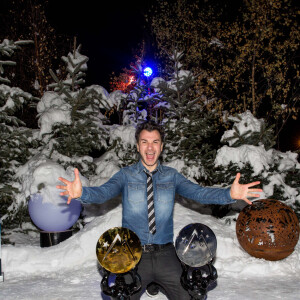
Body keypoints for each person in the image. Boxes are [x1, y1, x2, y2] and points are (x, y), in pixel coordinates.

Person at [56, 120, 262, 299]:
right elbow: (103, 192)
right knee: (121, 296)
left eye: (155, 142)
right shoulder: (126, 176)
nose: (150, 148)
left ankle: (157, 283)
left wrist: (229, 194)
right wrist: (82, 193)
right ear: (137, 146)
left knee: (188, 295)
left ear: (161, 146)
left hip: (165, 253)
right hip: (133, 253)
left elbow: (199, 193)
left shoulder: (171, 176)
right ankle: (149, 284)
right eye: (144, 142)